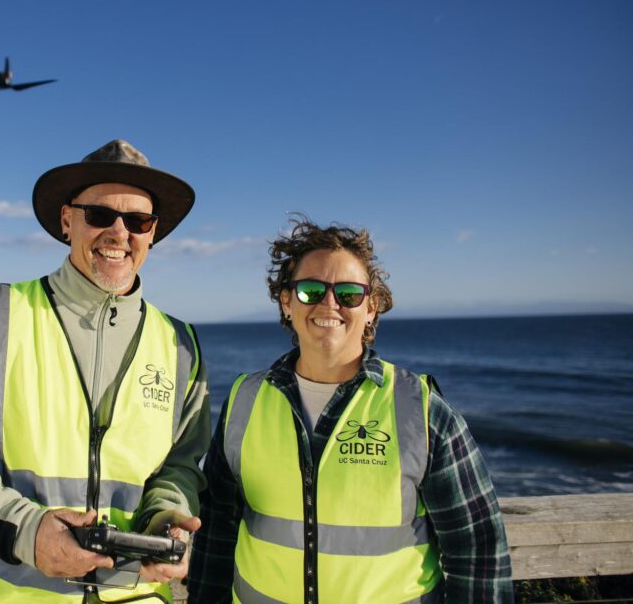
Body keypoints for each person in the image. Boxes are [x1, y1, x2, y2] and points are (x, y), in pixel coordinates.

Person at [0, 139, 211, 603]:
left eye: (138, 220)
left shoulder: (180, 344)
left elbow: (180, 467)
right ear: (68, 220)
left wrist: (168, 518)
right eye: (100, 215)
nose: (119, 233)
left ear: (153, 233)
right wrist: (28, 532)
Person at [188, 216, 512, 603]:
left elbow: (477, 551)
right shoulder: (245, 401)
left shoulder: (420, 410)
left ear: (372, 308)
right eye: (311, 290)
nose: (329, 303)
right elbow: (216, 533)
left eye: (348, 294)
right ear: (286, 301)